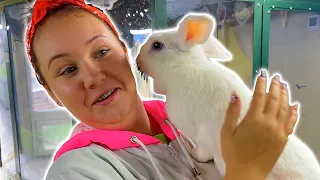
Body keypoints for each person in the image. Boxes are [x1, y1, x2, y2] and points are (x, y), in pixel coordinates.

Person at [25, 0, 298, 179]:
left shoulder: (183, 117)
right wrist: (247, 171)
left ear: (125, 52)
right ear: (51, 93)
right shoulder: (77, 171)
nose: (93, 77)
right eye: (68, 70)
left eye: (102, 51)